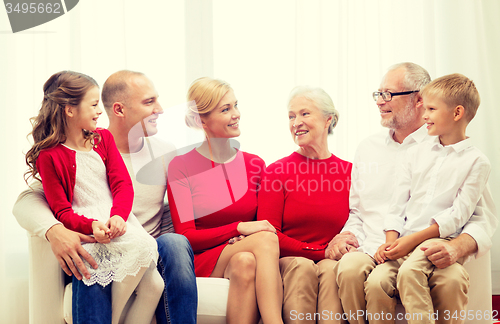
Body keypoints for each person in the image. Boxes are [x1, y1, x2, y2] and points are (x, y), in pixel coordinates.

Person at [13, 70, 198, 324]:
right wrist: (55, 230)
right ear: (120, 110)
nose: (161, 109)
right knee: (89, 262)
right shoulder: (59, 154)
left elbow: (128, 189)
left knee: (173, 248)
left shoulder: (164, 152)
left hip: (142, 241)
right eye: (149, 102)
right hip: (93, 237)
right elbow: (29, 201)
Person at [329, 62, 497, 324]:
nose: (379, 101)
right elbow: (358, 210)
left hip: (428, 246)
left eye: (388, 94)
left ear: (418, 99)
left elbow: (480, 218)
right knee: (350, 269)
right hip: (375, 244)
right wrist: (347, 236)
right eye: (378, 94)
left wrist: (454, 248)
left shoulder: (448, 148)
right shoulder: (368, 148)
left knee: (446, 278)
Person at [372, 73, 492, 323]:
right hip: (406, 238)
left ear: (457, 113)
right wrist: (392, 240)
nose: (424, 115)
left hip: (436, 240)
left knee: (410, 273)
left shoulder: (477, 161)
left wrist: (414, 240)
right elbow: (397, 204)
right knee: (376, 281)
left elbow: (460, 214)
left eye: (430, 109)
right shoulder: (416, 152)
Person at [168, 77, 284, 324]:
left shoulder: (255, 164)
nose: (236, 115)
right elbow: (186, 235)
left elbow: (264, 224)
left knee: (245, 262)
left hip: (241, 251)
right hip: (203, 257)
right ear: (202, 121)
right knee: (264, 239)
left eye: (235, 106)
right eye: (225, 109)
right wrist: (238, 228)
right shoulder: (181, 166)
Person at [257, 86, 351, 324]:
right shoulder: (277, 171)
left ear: (328, 119)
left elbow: (361, 223)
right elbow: (268, 234)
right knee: (303, 267)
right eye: (291, 116)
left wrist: (337, 250)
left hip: (331, 261)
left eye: (304, 114)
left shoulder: (350, 172)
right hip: (291, 260)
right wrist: (319, 251)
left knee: (331, 270)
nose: (296, 122)